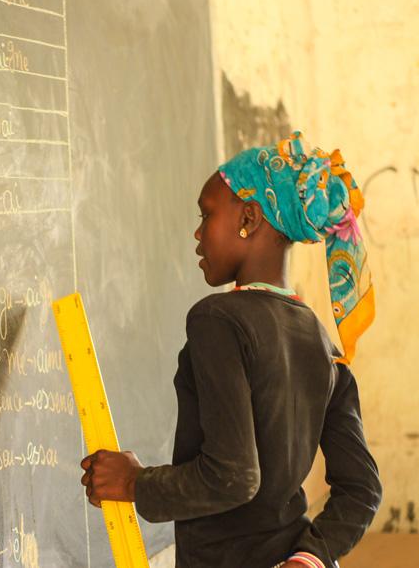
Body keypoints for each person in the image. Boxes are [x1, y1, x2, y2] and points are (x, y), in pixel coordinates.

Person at [80, 131, 382, 568]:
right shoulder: (320, 339)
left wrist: (135, 483)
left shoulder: (218, 320)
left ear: (250, 217)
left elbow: (232, 478)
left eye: (207, 214)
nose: (198, 232)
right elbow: (363, 489)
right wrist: (310, 558)